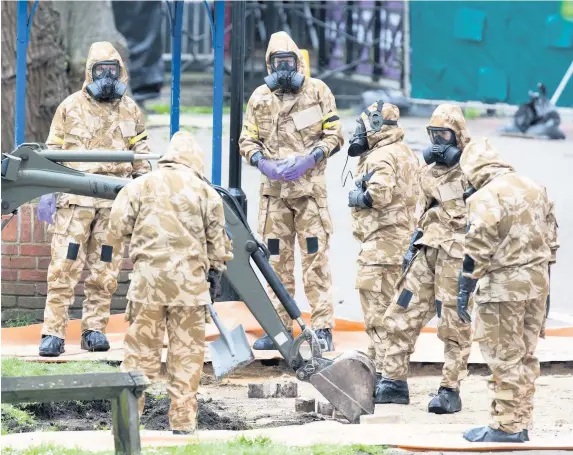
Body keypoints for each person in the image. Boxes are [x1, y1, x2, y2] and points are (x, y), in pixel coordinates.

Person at [104, 130, 232, 434]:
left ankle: (128, 426)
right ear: (195, 160)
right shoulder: (206, 193)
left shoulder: (140, 186)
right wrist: (213, 274)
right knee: (186, 360)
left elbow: (116, 227)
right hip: (190, 289)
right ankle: (184, 425)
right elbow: (219, 246)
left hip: (148, 285)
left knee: (139, 357)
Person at [36, 41, 152, 357]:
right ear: (90, 71)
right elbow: (52, 151)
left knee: (105, 271)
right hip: (75, 203)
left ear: (120, 71)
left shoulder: (130, 109)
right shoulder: (69, 107)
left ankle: (94, 330)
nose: (107, 77)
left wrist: (142, 193)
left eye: (112, 70)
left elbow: (141, 156)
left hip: (113, 206)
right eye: (101, 70)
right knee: (64, 268)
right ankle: (53, 333)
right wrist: (48, 189)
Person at [239, 31, 344, 351]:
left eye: (289, 61)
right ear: (269, 65)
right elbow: (247, 141)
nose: (283, 68)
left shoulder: (318, 92)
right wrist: (262, 163)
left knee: (315, 260)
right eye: (277, 62)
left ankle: (322, 328)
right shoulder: (259, 98)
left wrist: (311, 158)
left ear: (298, 62)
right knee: (275, 263)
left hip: (309, 195)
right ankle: (278, 328)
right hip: (275, 200)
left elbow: (335, 133)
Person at [457, 138, 559, 443]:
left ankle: (506, 427)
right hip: (536, 285)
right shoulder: (534, 187)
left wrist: (465, 286)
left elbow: (478, 246)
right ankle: (520, 420)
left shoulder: (485, 196)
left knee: (504, 357)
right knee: (525, 356)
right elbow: (551, 236)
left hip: (502, 290)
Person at [377, 104, 474, 413]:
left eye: (443, 134)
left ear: (457, 135)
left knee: (453, 323)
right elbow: (421, 212)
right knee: (400, 312)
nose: (437, 141)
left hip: (456, 254)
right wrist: (411, 246)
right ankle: (394, 382)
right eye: (433, 134)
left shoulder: (475, 169)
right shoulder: (428, 171)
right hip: (426, 249)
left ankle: (450, 389)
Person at [346, 100, 419, 396]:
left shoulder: (382, 157)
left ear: (376, 126)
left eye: (362, 127)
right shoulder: (406, 152)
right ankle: (388, 376)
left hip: (380, 246)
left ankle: (387, 379)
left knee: (378, 314)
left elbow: (380, 193)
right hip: (399, 244)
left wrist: (358, 196)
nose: (358, 134)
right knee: (395, 313)